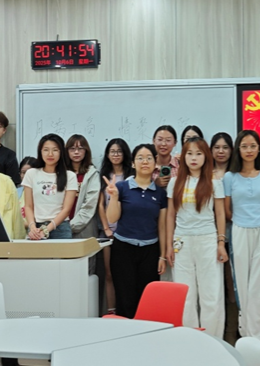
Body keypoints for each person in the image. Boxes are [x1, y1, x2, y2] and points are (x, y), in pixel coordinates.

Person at [166, 137, 228, 337]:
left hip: (208, 240)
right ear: (183, 157)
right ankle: (189, 339)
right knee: (185, 295)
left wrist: (221, 243)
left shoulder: (214, 181)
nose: (194, 158)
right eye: (189, 154)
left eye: (199, 153)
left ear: (206, 156)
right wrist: (168, 246)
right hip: (182, 242)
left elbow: (220, 214)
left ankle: (212, 340)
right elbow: (170, 215)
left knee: (211, 295)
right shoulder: (175, 182)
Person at [103, 144, 167, 318]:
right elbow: (112, 218)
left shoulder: (160, 193)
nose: (144, 162)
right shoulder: (122, 187)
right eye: (140, 158)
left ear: (155, 163)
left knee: (147, 299)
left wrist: (162, 256)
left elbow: (162, 226)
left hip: (150, 250)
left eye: (149, 158)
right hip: (123, 249)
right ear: (133, 163)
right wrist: (114, 197)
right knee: (125, 298)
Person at [224, 130, 260, 341]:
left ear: (259, 149)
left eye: (253, 146)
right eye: (244, 146)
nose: (249, 150)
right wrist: (242, 220)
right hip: (239, 231)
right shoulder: (229, 177)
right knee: (242, 282)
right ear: (238, 149)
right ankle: (246, 333)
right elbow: (227, 210)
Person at [98, 138, 131, 315]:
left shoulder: (131, 175)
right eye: (112, 151)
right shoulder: (103, 175)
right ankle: (112, 311)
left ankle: (127, 310)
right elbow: (100, 204)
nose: (116, 154)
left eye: (119, 151)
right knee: (109, 273)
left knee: (124, 274)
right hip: (108, 232)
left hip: (126, 231)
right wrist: (106, 228)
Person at [22, 134, 78, 240]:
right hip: (35, 227)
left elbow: (66, 209)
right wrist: (32, 227)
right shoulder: (31, 173)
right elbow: (28, 206)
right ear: (40, 152)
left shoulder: (70, 176)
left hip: (60, 228)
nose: (50, 154)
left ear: (61, 152)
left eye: (55, 150)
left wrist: (46, 230)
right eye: (46, 150)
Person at [210, 131, 238, 342]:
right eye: (217, 147)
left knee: (232, 286)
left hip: (234, 235)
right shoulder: (203, 174)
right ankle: (214, 333)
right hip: (207, 236)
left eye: (225, 147)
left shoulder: (237, 174)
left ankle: (230, 335)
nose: (221, 151)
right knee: (213, 286)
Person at [66, 135, 101, 240]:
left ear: (86, 151)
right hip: (59, 226)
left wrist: (70, 227)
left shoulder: (92, 174)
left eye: (80, 148)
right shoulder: (61, 173)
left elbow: (89, 205)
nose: (76, 152)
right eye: (72, 149)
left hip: (84, 227)